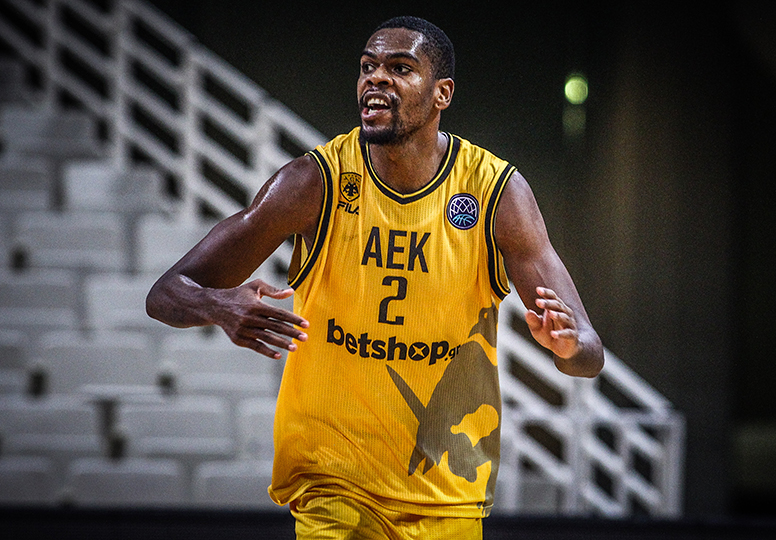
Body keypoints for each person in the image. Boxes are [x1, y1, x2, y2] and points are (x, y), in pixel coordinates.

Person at [146, 15, 603, 539]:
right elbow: (165, 293)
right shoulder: (314, 183)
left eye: (400, 68)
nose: (376, 78)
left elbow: (590, 355)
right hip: (332, 483)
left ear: (442, 93)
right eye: (368, 67)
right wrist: (219, 307)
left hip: (446, 492)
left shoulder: (495, 193)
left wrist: (567, 345)